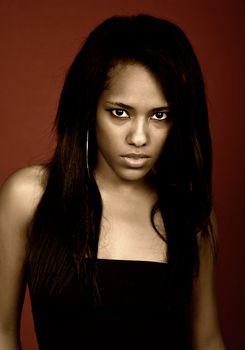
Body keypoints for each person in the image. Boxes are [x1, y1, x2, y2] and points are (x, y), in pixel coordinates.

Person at [0, 14, 227, 350]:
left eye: (159, 115)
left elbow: (207, 340)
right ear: (88, 109)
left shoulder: (192, 217)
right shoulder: (29, 197)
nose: (139, 137)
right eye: (120, 112)